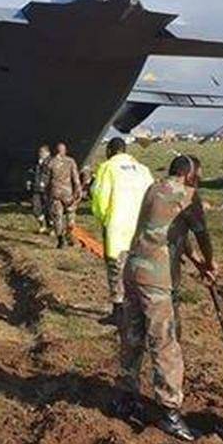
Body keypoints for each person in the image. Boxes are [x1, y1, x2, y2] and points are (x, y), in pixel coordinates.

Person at [118, 155, 215, 441]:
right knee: (165, 344)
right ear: (188, 174)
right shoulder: (187, 195)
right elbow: (202, 233)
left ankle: (126, 397)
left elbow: (171, 232)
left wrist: (196, 262)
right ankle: (170, 412)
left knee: (132, 337)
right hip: (157, 281)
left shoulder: (154, 189)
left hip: (133, 272)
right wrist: (209, 263)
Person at [91, 137, 153, 325]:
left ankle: (118, 311)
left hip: (118, 229)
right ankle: (142, 311)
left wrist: (104, 219)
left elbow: (100, 198)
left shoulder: (108, 168)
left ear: (110, 151)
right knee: (140, 271)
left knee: (116, 271)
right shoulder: (143, 170)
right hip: (141, 230)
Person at [47, 142, 82, 248]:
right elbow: (75, 178)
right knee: (70, 216)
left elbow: (46, 181)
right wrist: (78, 190)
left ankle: (61, 239)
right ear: (64, 150)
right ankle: (70, 235)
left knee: (58, 217)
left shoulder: (50, 162)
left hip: (55, 194)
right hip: (68, 194)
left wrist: (46, 194)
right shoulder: (70, 161)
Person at [31, 145, 52, 233]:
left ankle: (50, 227)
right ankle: (42, 225)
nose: (40, 154)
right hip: (36, 188)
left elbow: (50, 174)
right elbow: (34, 173)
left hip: (47, 189)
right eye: (39, 152)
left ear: (47, 153)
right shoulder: (37, 162)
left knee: (48, 209)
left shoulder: (50, 162)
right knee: (36, 208)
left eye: (42, 152)